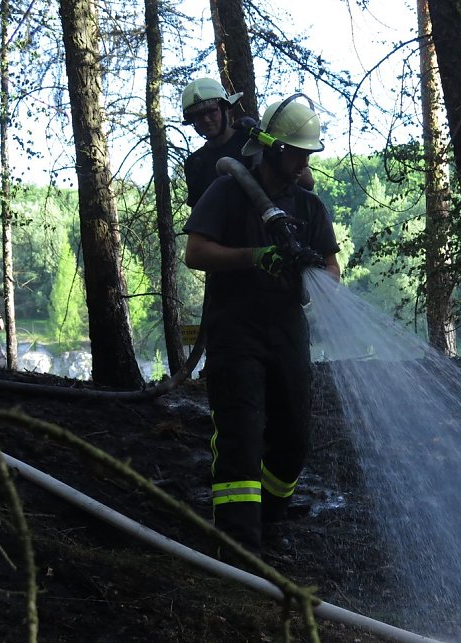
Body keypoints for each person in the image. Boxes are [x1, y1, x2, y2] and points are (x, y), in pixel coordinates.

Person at [183, 95, 341, 558]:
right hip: (236, 330)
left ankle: (271, 518)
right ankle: (237, 547)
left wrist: (314, 274)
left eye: (307, 155)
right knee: (241, 433)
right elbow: (196, 252)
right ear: (271, 148)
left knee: (293, 435)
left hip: (288, 331)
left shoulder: (309, 208)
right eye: (296, 153)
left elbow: (332, 269)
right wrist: (256, 257)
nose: (302, 164)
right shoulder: (229, 192)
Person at [181, 78, 314, 207]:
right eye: (198, 115)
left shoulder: (252, 140)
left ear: (225, 108)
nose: (206, 119)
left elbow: (307, 181)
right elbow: (198, 213)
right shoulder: (194, 163)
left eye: (211, 111)